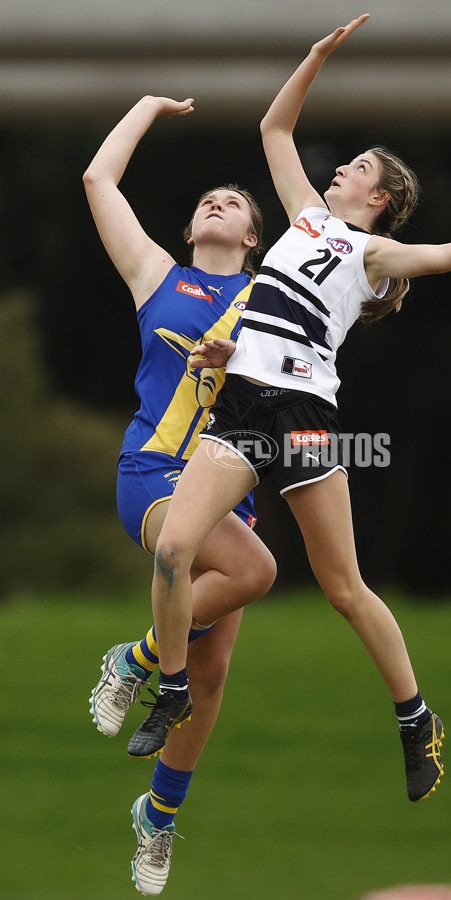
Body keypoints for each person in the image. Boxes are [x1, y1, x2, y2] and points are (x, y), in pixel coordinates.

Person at [130, 14, 451, 808]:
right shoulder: (300, 217)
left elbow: (437, 256)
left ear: (379, 197)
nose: (340, 171)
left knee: (343, 588)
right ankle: (172, 687)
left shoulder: (369, 254)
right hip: (241, 414)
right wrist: (318, 55)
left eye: (356, 167)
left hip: (304, 417)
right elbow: (275, 125)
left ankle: (416, 718)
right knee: (174, 552)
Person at [83, 95, 277, 896]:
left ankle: (156, 819)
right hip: (156, 474)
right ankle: (132, 658)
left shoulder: (272, 303)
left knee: (209, 676)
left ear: (253, 237)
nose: (216, 203)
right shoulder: (157, 273)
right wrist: (148, 108)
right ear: (193, 229)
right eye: (208, 201)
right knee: (255, 573)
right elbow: (99, 176)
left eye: (233, 203)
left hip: (230, 483)